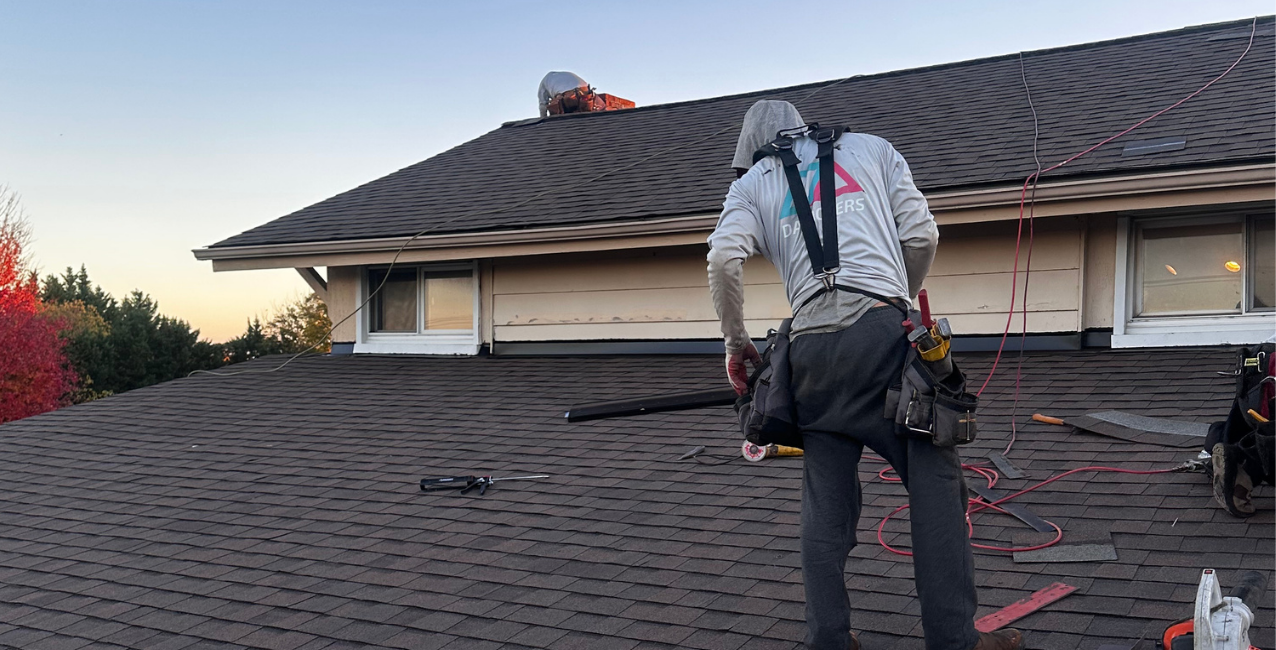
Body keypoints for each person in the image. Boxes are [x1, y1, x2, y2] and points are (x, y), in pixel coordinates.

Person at [707, 99, 1023, 650]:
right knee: (937, 489)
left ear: (750, 151)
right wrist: (895, 298)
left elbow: (721, 260)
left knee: (825, 507)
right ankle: (955, 642)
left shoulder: (753, 182)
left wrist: (738, 346)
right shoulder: (872, 148)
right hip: (881, 342)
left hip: (806, 356)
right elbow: (923, 236)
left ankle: (828, 641)